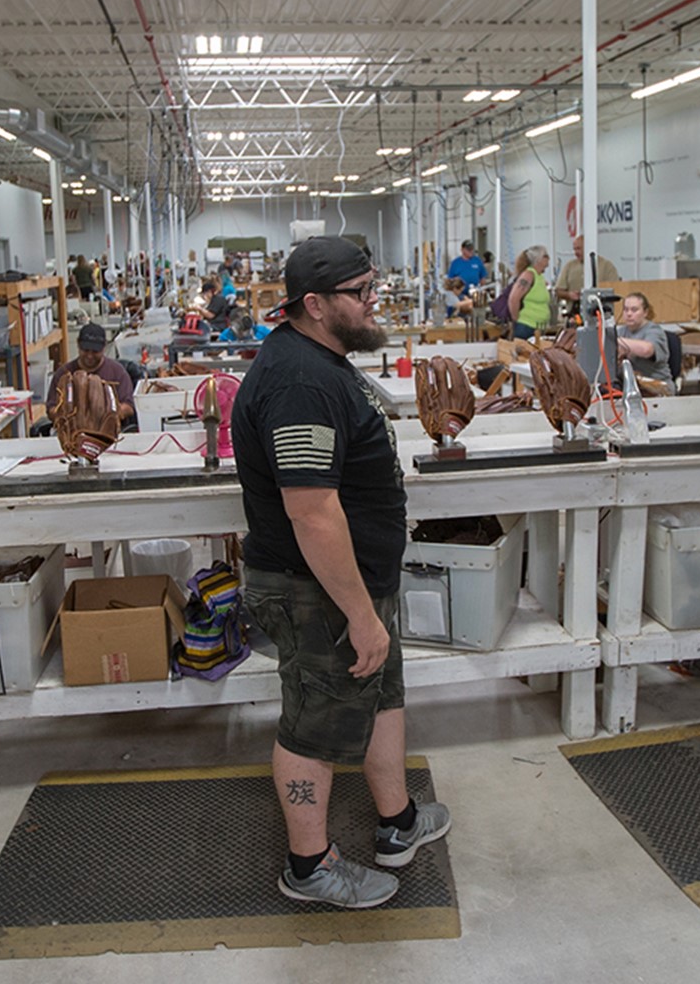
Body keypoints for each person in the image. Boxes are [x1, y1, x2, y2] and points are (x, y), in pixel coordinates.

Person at [232, 235, 451, 909]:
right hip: (316, 592)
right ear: (316, 305)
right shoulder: (301, 381)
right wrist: (358, 615)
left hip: (352, 584)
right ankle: (309, 867)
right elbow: (313, 512)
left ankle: (397, 823)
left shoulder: (324, 360)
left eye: (373, 289)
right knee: (315, 726)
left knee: (381, 695)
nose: (374, 304)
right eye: (362, 295)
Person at [46, 323, 135, 427]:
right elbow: (51, 408)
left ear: (104, 347)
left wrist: (109, 414)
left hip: (108, 432)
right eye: (85, 350)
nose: (89, 355)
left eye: (95, 351)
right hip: (72, 432)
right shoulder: (63, 373)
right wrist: (65, 415)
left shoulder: (118, 372)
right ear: (78, 344)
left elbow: (129, 406)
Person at [615, 292, 672, 393]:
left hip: (657, 386)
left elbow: (646, 350)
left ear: (645, 312)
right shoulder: (621, 332)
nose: (629, 314)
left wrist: (616, 340)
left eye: (634, 310)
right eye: (625, 309)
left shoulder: (654, 330)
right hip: (630, 386)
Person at [507, 245, 551, 340]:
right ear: (539, 259)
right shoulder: (528, 275)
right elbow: (513, 299)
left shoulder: (539, 276)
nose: (549, 258)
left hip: (538, 328)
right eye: (545, 255)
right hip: (526, 327)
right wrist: (516, 319)